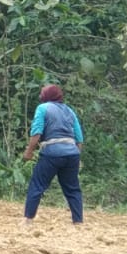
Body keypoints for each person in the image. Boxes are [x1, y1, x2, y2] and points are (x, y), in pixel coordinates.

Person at [22, 84, 85, 225]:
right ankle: (78, 221)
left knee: (37, 184)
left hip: (52, 152)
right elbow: (79, 138)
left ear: (45, 96)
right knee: (72, 188)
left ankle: (28, 219)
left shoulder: (43, 108)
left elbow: (37, 132)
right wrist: (77, 156)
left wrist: (29, 151)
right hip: (72, 153)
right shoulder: (70, 111)